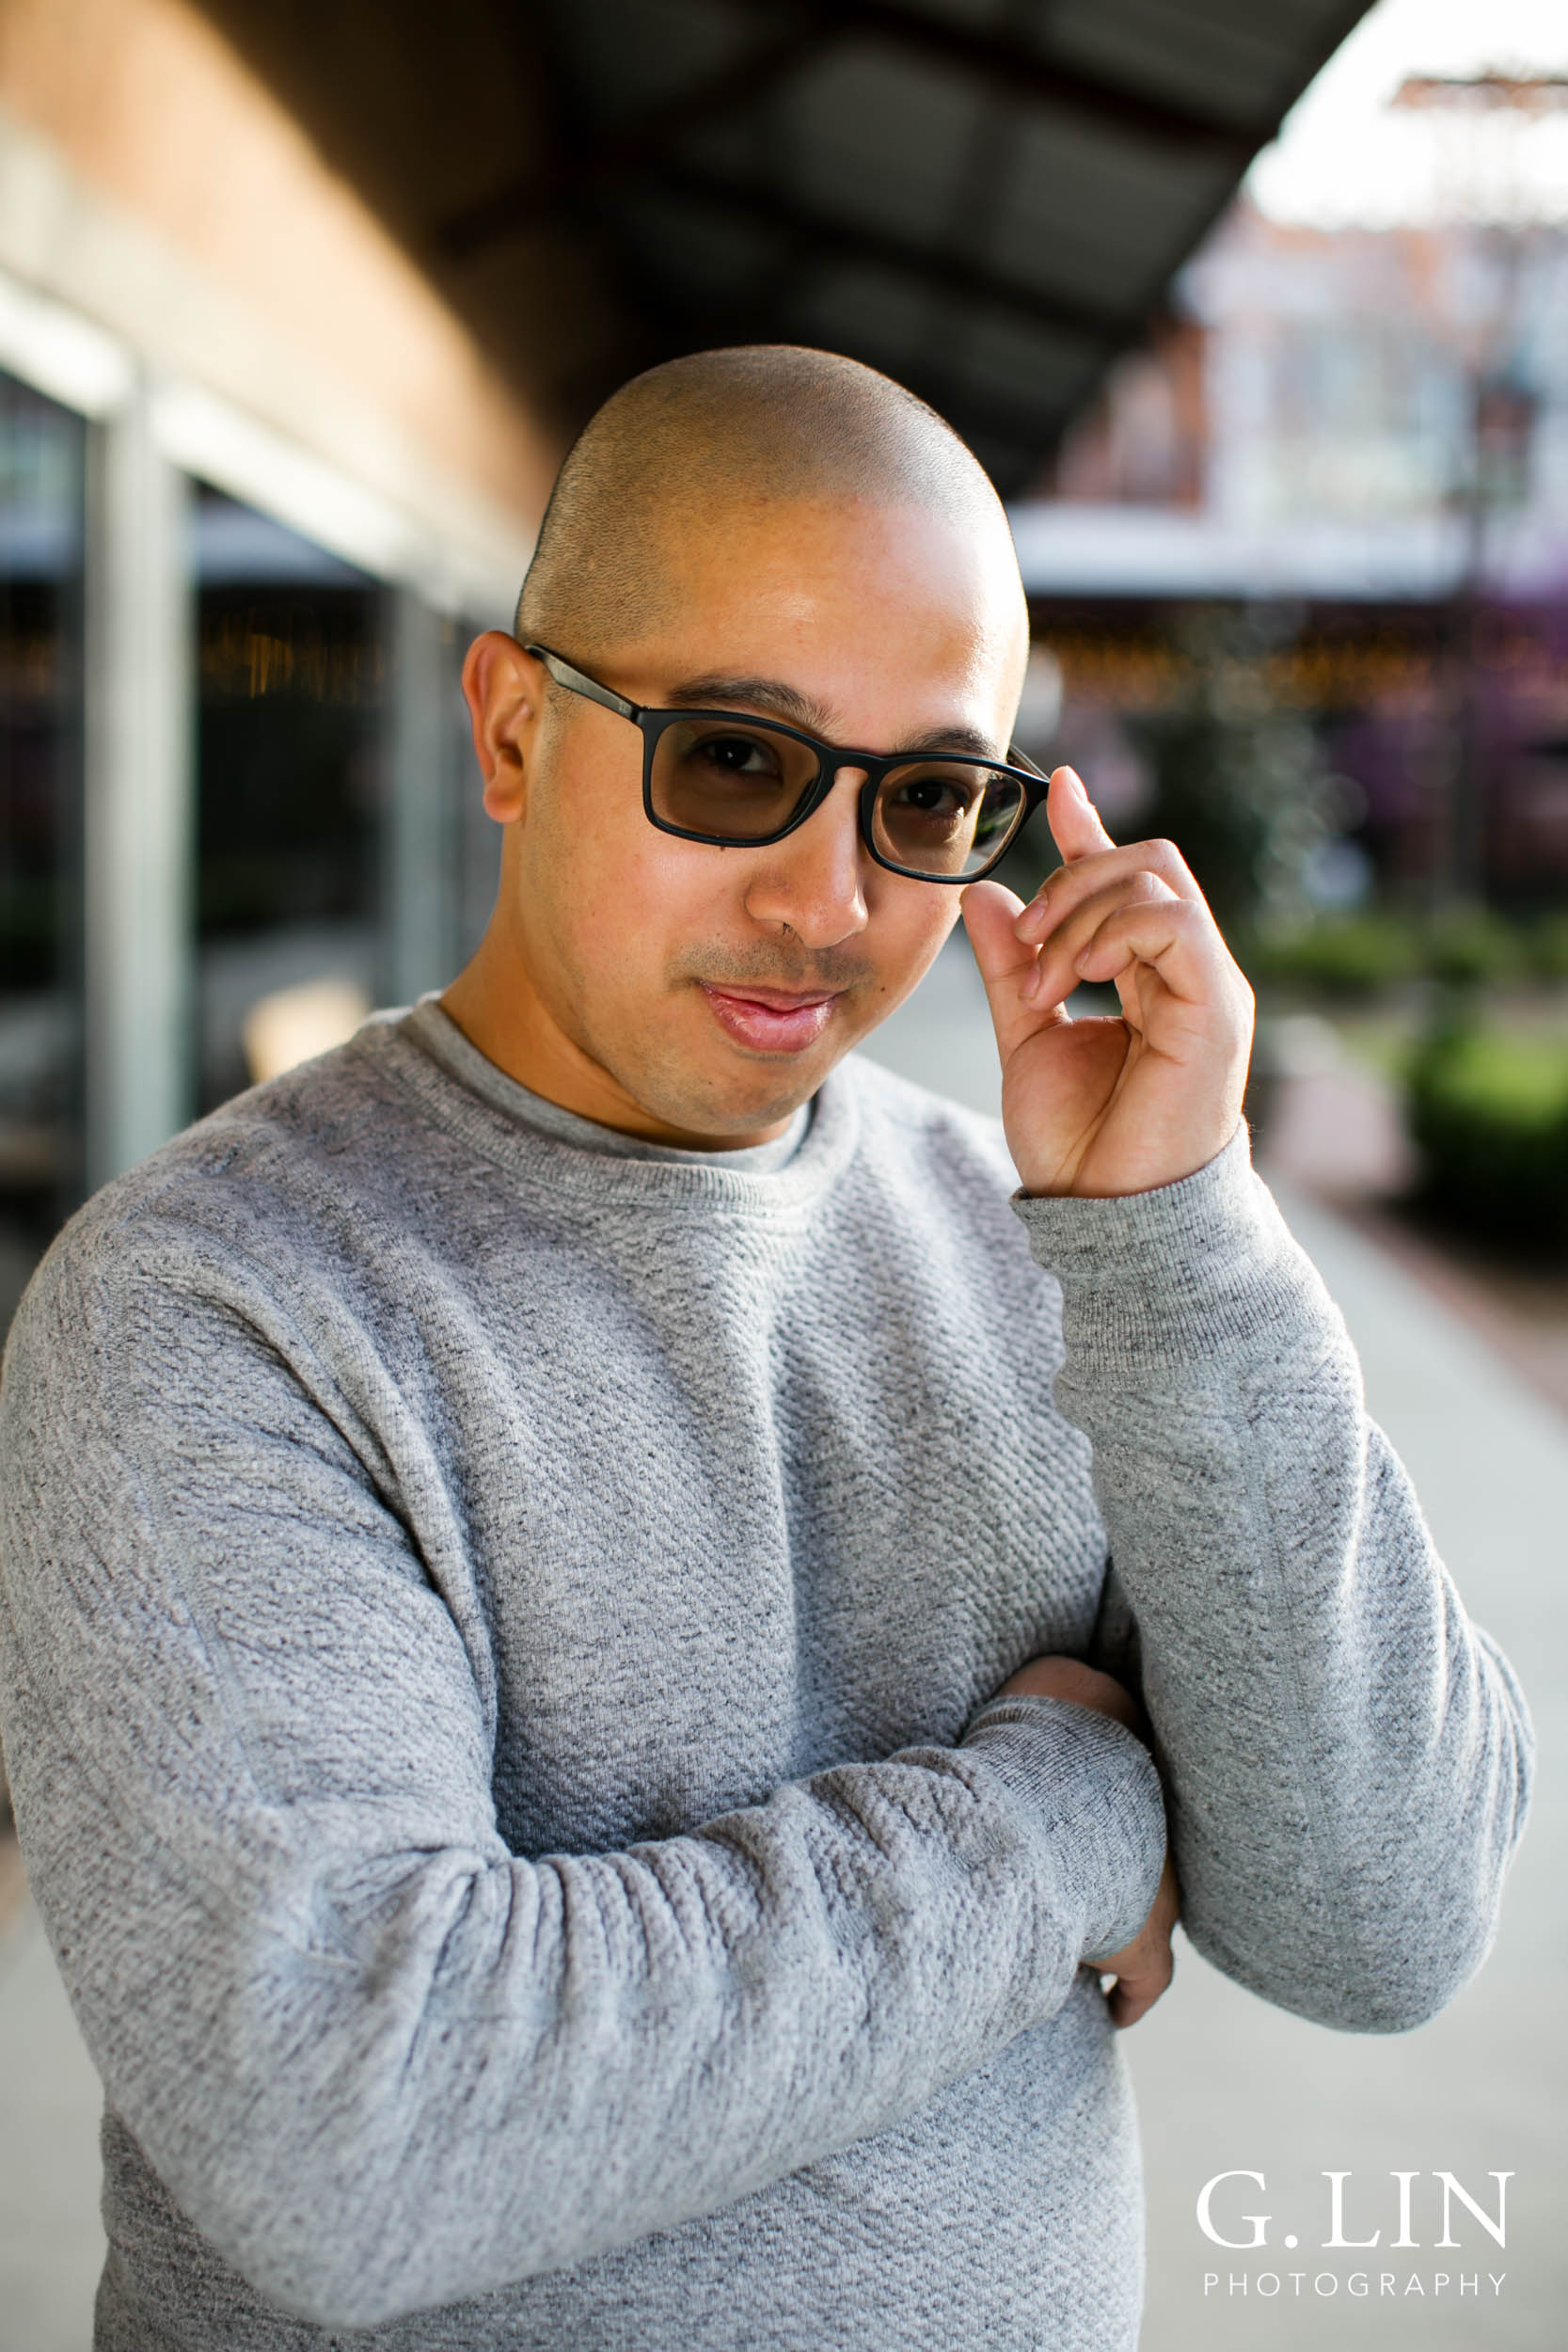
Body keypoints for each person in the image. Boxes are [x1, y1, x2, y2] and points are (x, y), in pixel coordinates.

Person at [0, 346, 1531, 2352]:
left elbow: (1384, 1920)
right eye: (735, 757)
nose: (829, 901)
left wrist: (1182, 1240)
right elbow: (359, 2125)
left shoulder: (1056, 1251)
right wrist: (1060, 1812)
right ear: (513, 728)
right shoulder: (218, 1301)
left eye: (930, 798)